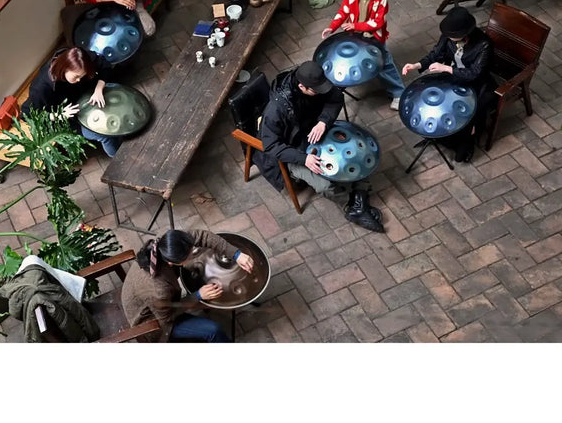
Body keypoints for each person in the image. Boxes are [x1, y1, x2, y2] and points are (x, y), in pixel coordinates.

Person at [256, 60, 384, 232]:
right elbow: (271, 146)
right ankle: (351, 204)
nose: (321, 93)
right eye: (316, 91)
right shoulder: (276, 110)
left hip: (316, 132)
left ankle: (360, 198)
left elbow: (336, 97)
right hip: (294, 151)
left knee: (355, 152)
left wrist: (323, 122)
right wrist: (304, 158)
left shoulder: (316, 83)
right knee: (324, 184)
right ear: (302, 86)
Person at [121, 229, 254, 342]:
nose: (194, 251)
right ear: (172, 263)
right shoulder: (159, 289)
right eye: (189, 254)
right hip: (152, 320)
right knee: (214, 330)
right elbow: (167, 317)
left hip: (156, 301)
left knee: (194, 266)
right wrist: (198, 296)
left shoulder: (166, 244)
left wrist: (236, 254)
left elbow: (202, 236)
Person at [402, 6, 497, 163]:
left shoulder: (484, 44)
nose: (448, 37)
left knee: (468, 116)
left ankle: (469, 140)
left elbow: (475, 73)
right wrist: (417, 65)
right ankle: (440, 135)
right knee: (433, 100)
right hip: (454, 77)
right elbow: (435, 54)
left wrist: (446, 68)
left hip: (478, 84)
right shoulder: (449, 36)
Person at [321, 0, 405, 110]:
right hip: (355, 34)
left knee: (385, 63)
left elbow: (377, 23)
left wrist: (355, 25)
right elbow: (343, 11)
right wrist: (332, 27)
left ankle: (398, 93)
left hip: (374, 37)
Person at [21, 46, 122, 157]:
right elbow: (27, 114)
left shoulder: (78, 58)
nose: (79, 79)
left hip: (87, 95)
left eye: (82, 76)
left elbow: (104, 64)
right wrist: (59, 115)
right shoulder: (41, 88)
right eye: (76, 76)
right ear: (65, 68)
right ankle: (119, 158)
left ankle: (123, 133)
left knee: (115, 91)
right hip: (68, 118)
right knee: (104, 134)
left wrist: (99, 89)